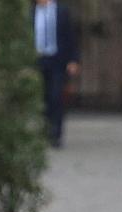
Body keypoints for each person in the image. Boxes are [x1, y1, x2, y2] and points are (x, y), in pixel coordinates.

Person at [31, 0, 79, 148]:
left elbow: (70, 36)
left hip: (57, 60)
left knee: (55, 96)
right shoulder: (31, 13)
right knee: (42, 98)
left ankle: (56, 133)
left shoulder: (61, 11)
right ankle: (44, 131)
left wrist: (73, 60)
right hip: (38, 60)